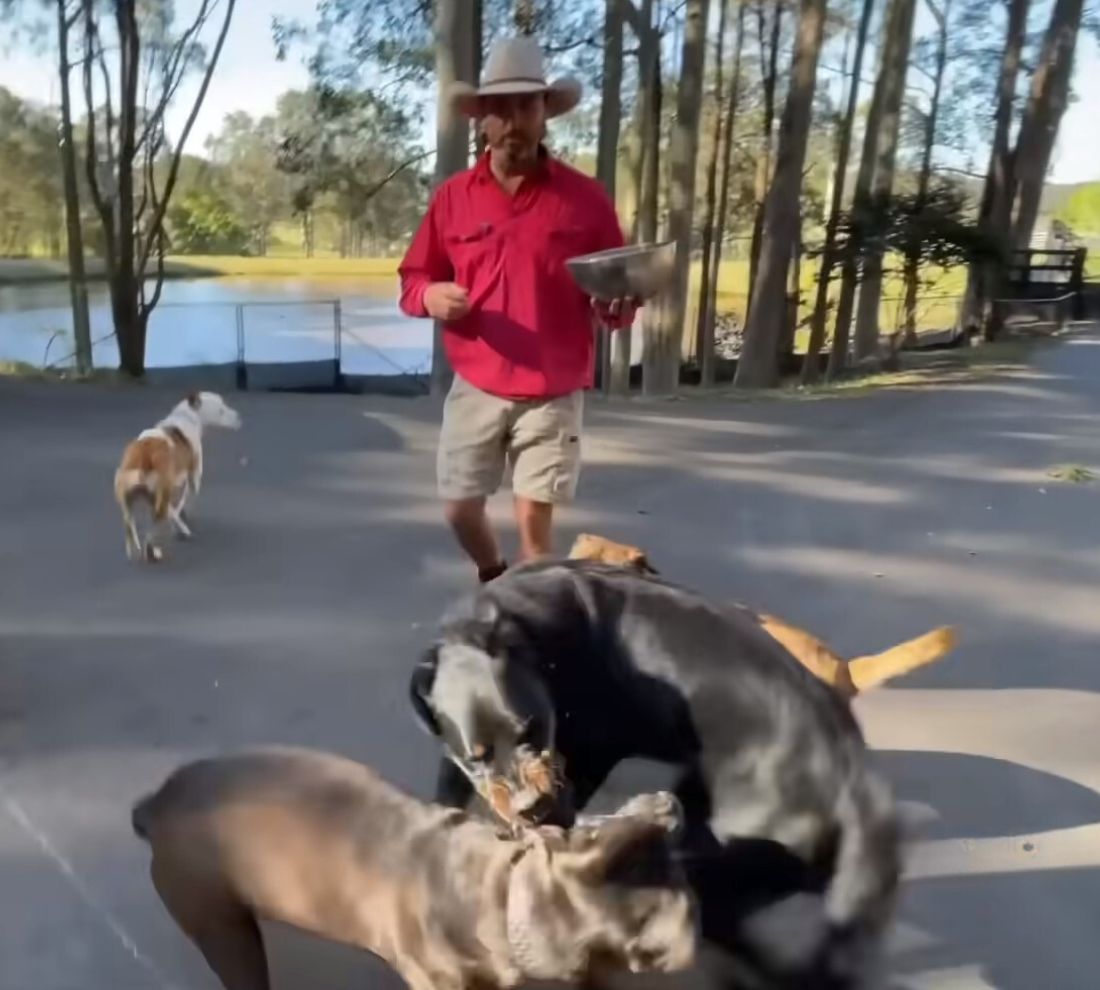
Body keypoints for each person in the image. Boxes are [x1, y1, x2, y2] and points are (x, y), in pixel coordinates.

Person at [399, 36, 638, 583]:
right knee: (460, 506)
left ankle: (536, 625)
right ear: (481, 119)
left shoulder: (586, 199)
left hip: (552, 387)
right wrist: (432, 297)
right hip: (476, 381)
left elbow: (616, 297)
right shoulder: (453, 198)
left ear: (545, 114)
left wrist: (621, 306)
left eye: (526, 106)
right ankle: (494, 576)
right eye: (499, 109)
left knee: (535, 525)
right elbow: (414, 280)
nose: (513, 121)